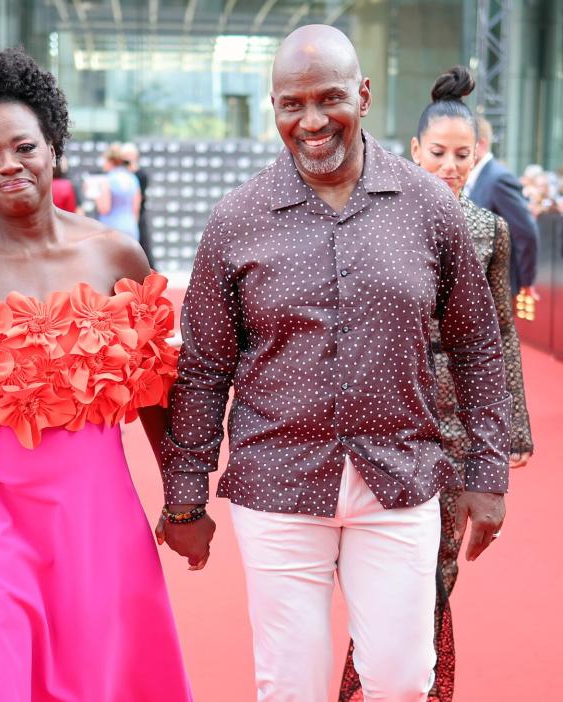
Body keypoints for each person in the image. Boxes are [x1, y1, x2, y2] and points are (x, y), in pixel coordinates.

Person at [160, 26, 511, 702]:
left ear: (365, 95)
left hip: (401, 476)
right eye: (292, 104)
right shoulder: (237, 220)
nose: (312, 120)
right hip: (279, 482)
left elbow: (476, 345)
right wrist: (184, 497)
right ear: (274, 108)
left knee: (403, 681)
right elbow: (203, 367)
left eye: (330, 99)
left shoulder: (430, 207)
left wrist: (489, 470)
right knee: (289, 687)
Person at [0, 47, 193, 701]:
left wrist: (184, 499)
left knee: (100, 680)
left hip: (98, 517)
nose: (8, 166)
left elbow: (155, 395)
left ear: (53, 144)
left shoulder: (117, 255)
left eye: (23, 146)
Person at [336, 64, 535, 702]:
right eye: (440, 153)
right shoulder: (379, 217)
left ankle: (414, 687)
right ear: (415, 150)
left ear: (479, 158)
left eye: (464, 156)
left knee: (435, 570)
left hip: (458, 421)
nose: (451, 166)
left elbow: (500, 335)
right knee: (384, 573)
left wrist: (510, 434)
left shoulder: (489, 230)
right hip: (393, 413)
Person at [466, 116, 540, 298]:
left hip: (497, 291)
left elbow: (526, 232)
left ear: (481, 145)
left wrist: (526, 281)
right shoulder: (477, 177)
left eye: (463, 146)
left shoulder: (498, 179)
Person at [95, 142, 141, 240]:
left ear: (110, 161)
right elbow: (136, 208)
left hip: (111, 230)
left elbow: (104, 208)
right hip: (131, 229)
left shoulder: (106, 180)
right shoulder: (133, 178)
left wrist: (95, 194)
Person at [120, 142, 155, 267]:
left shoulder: (141, 174)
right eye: (125, 155)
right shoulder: (119, 174)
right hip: (123, 214)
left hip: (138, 213)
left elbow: (139, 196)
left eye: (129, 154)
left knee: (143, 243)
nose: (127, 157)